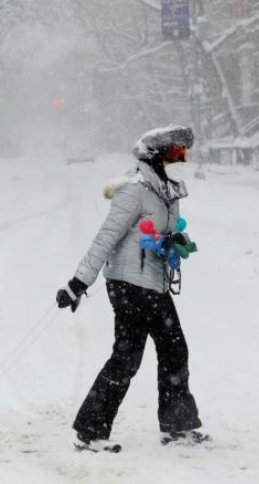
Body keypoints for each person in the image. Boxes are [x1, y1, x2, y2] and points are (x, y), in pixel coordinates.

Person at [55, 125, 209, 452]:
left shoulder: (166, 190)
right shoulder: (134, 189)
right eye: (175, 153)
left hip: (153, 283)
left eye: (184, 153)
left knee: (173, 351)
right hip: (128, 285)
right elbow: (106, 237)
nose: (182, 158)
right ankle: (90, 431)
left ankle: (177, 428)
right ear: (156, 156)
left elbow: (156, 232)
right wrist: (78, 283)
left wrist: (175, 240)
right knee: (128, 358)